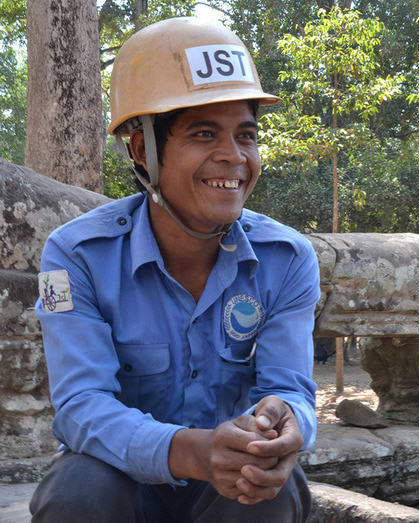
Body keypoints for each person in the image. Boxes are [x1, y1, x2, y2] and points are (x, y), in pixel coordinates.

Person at [30, 17, 319, 523]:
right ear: (144, 150)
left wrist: (286, 418)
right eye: (204, 133)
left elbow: (289, 385)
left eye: (246, 135)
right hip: (123, 485)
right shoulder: (74, 256)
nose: (233, 156)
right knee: (79, 487)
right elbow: (80, 406)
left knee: (275, 488)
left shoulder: (288, 259)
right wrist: (192, 451)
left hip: (229, 492)